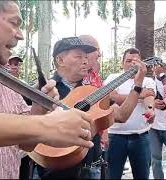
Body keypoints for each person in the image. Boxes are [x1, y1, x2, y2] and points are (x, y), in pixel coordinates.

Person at [0, 1, 86, 179]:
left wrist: (38, 110)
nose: (20, 35)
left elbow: (25, 145)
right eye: (14, 23)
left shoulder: (9, 83)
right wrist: (47, 125)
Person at [32, 38, 149, 179]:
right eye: (78, 56)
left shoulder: (91, 91)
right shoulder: (44, 90)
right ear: (60, 60)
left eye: (86, 57)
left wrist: (137, 84)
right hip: (53, 170)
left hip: (91, 168)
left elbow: (122, 115)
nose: (85, 61)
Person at [104, 48, 156, 179]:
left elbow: (149, 96)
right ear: (122, 63)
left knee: (142, 175)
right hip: (115, 136)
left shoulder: (147, 80)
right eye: (128, 61)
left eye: (136, 61)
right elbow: (113, 96)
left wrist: (150, 109)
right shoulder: (113, 78)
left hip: (140, 137)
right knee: (112, 175)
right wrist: (139, 94)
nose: (132, 64)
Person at [0, 108, 94, 150]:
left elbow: (25, 147)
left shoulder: (11, 85)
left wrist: (38, 109)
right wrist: (46, 125)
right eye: (78, 55)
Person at [149, 58, 166, 179]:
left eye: (160, 66)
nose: (157, 68)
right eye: (155, 66)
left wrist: (162, 76)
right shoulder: (149, 82)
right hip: (153, 127)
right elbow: (143, 97)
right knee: (155, 159)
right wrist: (153, 101)